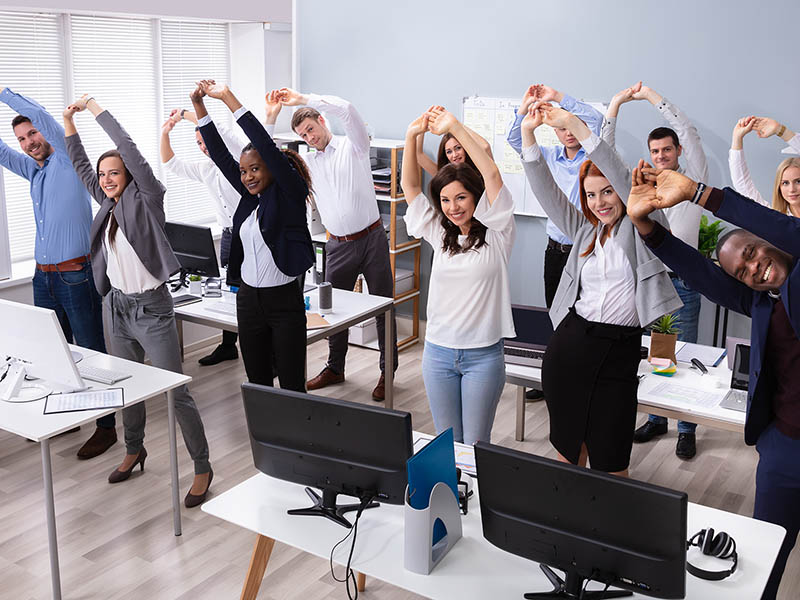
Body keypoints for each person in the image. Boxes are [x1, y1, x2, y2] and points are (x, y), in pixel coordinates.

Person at [626, 164, 800, 600]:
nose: (755, 268)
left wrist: (701, 194)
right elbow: (701, 274)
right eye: (742, 271)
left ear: (768, 243)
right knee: (766, 554)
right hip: (786, 447)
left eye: (754, 254)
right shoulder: (764, 301)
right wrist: (647, 227)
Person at [63, 95, 212, 507]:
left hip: (152, 309)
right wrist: (68, 123)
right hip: (117, 308)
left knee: (175, 392)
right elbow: (79, 165)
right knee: (125, 385)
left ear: (129, 174)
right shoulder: (106, 204)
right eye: (103, 175)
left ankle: (202, 466)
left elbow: (127, 146)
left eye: (115, 173)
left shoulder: (147, 197)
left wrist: (93, 109)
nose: (108, 179)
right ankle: (134, 449)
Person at [520, 101, 680, 476]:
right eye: (591, 195)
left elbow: (620, 175)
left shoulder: (643, 224)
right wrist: (529, 134)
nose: (600, 202)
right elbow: (546, 190)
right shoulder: (584, 231)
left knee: (611, 463)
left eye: (607, 192)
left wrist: (573, 123)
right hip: (571, 348)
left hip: (619, 352)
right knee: (568, 455)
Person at [0, 87, 116, 459]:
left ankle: (106, 427)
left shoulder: (67, 158)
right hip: (43, 278)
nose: (29, 142)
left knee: (90, 350)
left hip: (75, 275)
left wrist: (3, 93)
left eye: (33, 134)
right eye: (22, 139)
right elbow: (2, 153)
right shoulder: (33, 169)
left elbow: (44, 117)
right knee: (55, 353)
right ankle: (68, 417)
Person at [601, 82, 708, 459]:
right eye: (655, 151)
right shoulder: (640, 186)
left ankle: (687, 428)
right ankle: (658, 419)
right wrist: (614, 106)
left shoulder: (693, 179)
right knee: (657, 355)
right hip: (651, 280)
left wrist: (651, 98)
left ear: (677, 152)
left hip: (686, 283)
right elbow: (605, 155)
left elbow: (690, 133)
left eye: (667, 150)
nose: (661, 156)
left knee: (685, 352)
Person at [190, 80, 314, 392]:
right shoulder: (248, 200)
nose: (247, 176)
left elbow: (265, 145)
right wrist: (199, 108)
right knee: (257, 382)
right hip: (248, 301)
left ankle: (296, 440)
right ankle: (265, 441)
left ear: (272, 169)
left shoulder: (289, 194)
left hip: (283, 302)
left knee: (291, 385)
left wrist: (228, 98)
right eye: (244, 171)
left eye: (255, 169)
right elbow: (218, 153)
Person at [401, 107, 514, 445]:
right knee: (446, 443)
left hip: (483, 355)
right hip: (437, 354)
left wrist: (454, 127)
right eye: (446, 200)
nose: (453, 207)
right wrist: (411, 137)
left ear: (476, 198)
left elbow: (491, 173)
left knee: (476, 445)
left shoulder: (499, 232)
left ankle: (477, 498)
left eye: (461, 197)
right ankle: (452, 499)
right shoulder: (440, 233)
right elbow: (409, 185)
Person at [279, 87, 397, 401]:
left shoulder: (354, 145)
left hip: (371, 239)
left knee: (383, 306)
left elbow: (347, 108)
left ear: (322, 121)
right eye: (303, 135)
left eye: (310, 130)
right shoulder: (307, 163)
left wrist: (303, 99)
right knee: (334, 309)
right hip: (337, 246)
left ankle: (387, 372)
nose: (309, 137)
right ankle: (335, 367)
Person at [160, 104, 249, 366]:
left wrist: (184, 115)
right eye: (198, 143)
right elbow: (171, 164)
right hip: (229, 236)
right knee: (230, 290)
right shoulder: (206, 169)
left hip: (251, 234)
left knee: (253, 292)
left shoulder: (238, 159)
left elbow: (218, 129)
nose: (203, 146)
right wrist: (165, 132)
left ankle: (270, 352)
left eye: (205, 140)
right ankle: (228, 345)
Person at [507, 84, 604, 308]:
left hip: (585, 250)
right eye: (561, 128)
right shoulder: (547, 157)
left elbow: (597, 120)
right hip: (554, 251)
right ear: (554, 130)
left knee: (583, 312)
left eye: (572, 127)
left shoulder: (593, 156)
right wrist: (524, 109)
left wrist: (557, 97)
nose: (568, 133)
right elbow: (515, 140)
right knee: (554, 310)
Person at [730, 116, 800, 217]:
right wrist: (737, 138)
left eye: (798, 181)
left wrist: (780, 130)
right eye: (785, 183)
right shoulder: (778, 220)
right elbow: (743, 186)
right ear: (778, 187)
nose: (792, 189)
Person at [415, 116, 492, 176]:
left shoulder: (481, 171)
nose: (454, 155)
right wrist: (424, 125)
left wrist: (455, 124)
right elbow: (418, 155)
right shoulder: (444, 175)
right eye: (449, 152)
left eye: (458, 148)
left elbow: (485, 147)